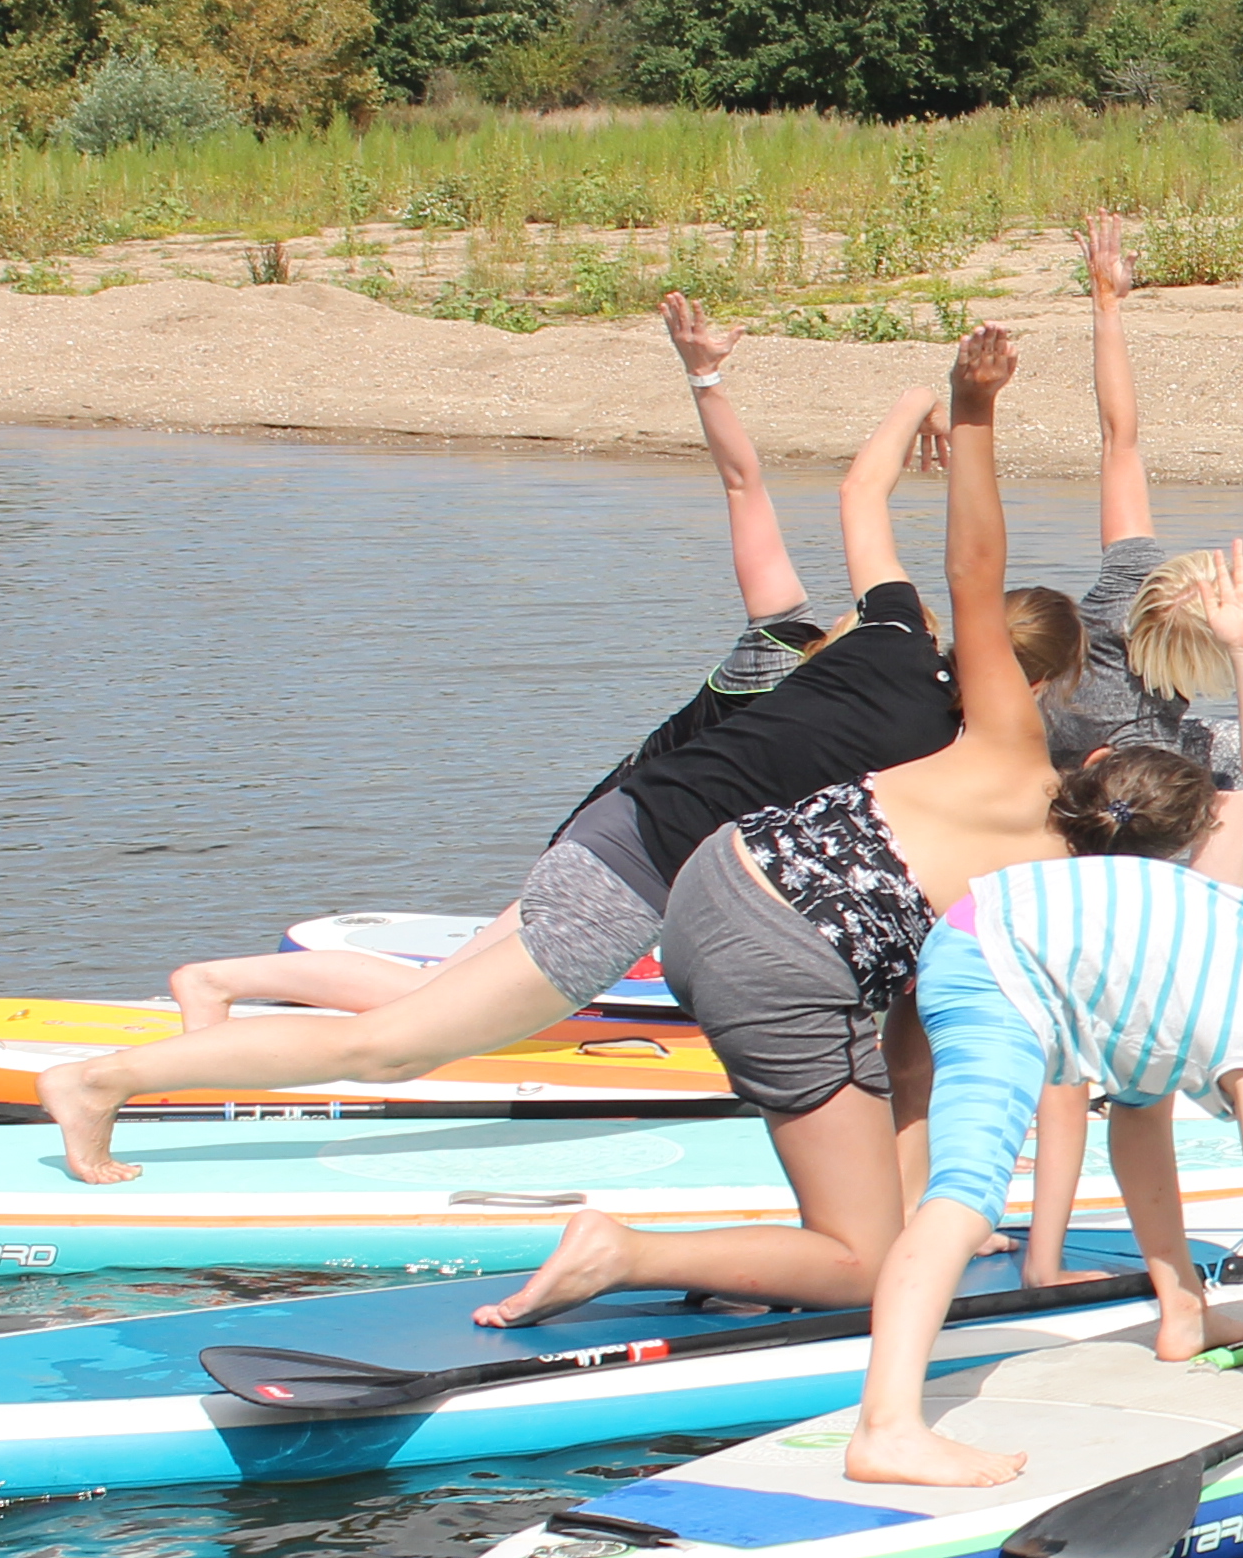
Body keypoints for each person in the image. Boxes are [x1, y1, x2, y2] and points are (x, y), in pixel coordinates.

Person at [42, 337, 1079, 1185]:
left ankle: (176, 1029)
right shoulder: (961, 752)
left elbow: (862, 490)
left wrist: (926, 403)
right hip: (640, 866)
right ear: (1035, 691)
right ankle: (106, 1082)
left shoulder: (889, 629)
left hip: (614, 819)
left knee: (412, 1016)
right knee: (393, 1050)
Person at [473, 336, 1243, 1326]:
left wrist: (973, 410)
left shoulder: (1000, 734)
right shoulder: (1052, 901)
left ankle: (775, 1264)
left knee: (883, 1200)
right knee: (866, 1262)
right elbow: (1051, 1084)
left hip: (719, 872)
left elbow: (974, 566)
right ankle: (622, 1252)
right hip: (783, 957)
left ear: (1100, 768)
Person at [835, 636, 1243, 1493]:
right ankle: (885, 1427)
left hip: (995, 917)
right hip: (993, 962)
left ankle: (1180, 1307)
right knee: (964, 1198)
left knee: (1143, 1100)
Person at [160, 294, 838, 1028]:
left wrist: (706, 377)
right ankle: (216, 982)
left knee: (455, 989)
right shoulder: (783, 649)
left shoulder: (806, 654)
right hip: (626, 846)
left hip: (624, 836)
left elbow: (748, 485)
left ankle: (227, 985)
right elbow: (743, 484)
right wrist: (703, 382)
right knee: (444, 1003)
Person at [1034, 207, 1243, 882]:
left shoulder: (1119, 594)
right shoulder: (1152, 741)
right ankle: (1208, 897)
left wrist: (1105, 305)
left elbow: (1118, 441)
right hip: (1093, 797)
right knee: (1238, 750)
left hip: (1031, 771)